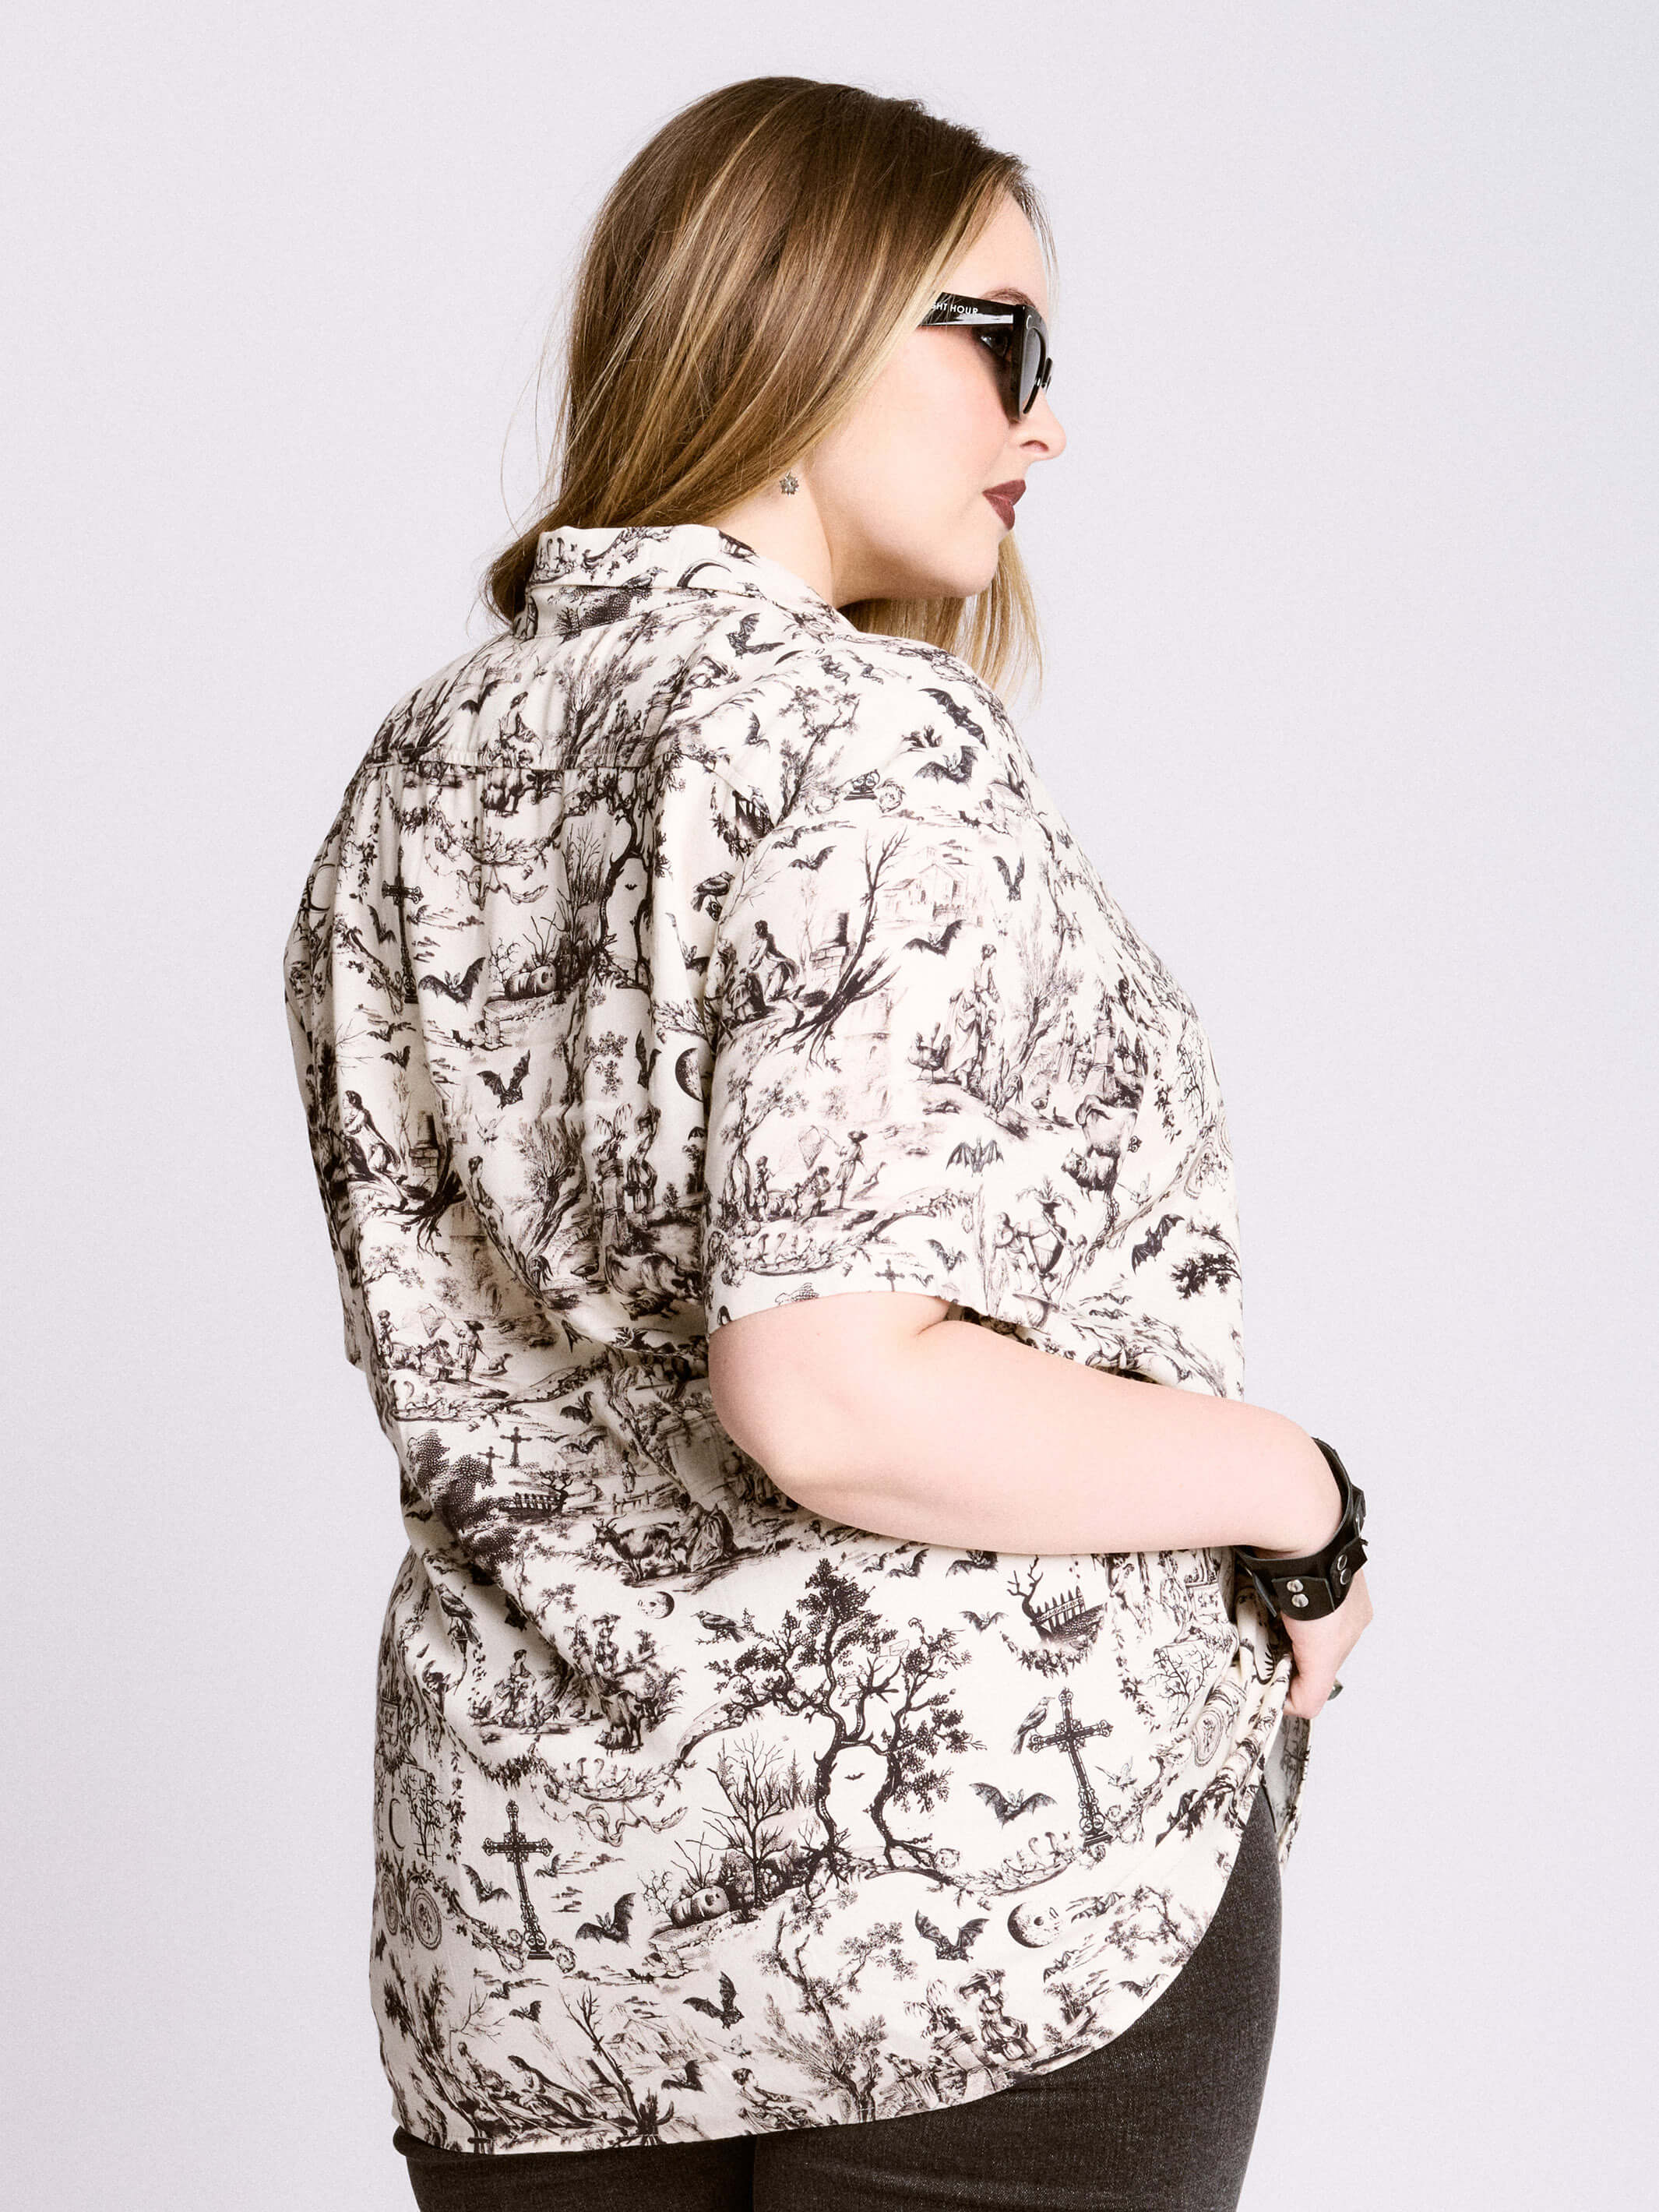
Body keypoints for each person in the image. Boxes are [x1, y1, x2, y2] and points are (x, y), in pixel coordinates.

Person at [281, 72, 1373, 2212]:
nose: (1044, 421)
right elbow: (834, 1393)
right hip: (975, 1915)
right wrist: (1302, 1495)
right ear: (797, 315)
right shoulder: (857, 736)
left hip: (540, 1944)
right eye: (1000, 338)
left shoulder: (424, 767)